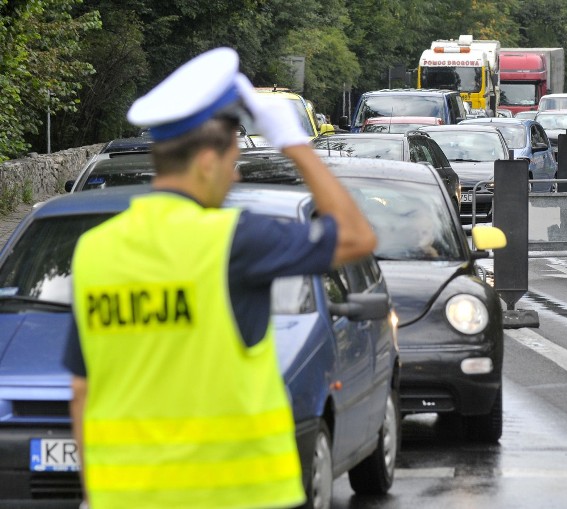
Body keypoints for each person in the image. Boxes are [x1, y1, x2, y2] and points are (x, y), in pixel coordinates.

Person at [63, 47, 376, 509]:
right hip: (237, 495)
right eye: (231, 160)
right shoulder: (234, 240)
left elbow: (81, 391)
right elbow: (355, 235)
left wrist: (95, 493)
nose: (233, 175)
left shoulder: (94, 250)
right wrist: (295, 145)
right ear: (207, 161)